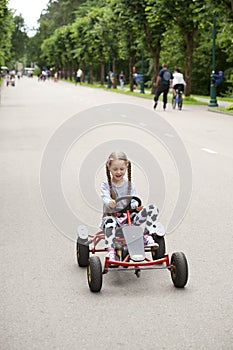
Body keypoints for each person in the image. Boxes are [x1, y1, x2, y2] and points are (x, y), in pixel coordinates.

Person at [100, 151, 165, 261]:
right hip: (114, 219)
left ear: (126, 167)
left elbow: (134, 199)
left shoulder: (130, 185)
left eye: (121, 169)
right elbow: (105, 197)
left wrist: (136, 206)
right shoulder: (106, 185)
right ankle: (111, 251)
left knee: (153, 209)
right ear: (109, 168)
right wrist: (110, 202)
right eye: (115, 169)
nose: (118, 172)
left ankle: (147, 235)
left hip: (131, 218)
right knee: (110, 221)